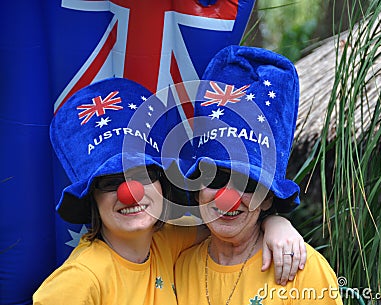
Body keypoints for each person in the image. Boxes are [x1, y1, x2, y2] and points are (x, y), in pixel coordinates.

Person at [33, 77, 306, 304]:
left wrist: (274, 221)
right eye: (110, 181)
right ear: (93, 196)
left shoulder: (170, 244)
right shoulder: (78, 280)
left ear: (162, 184)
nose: (131, 192)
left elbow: (230, 221)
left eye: (144, 173)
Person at [175, 45, 343, 304]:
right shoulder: (176, 266)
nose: (228, 197)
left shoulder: (306, 272)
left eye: (249, 183)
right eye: (216, 177)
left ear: (267, 198)